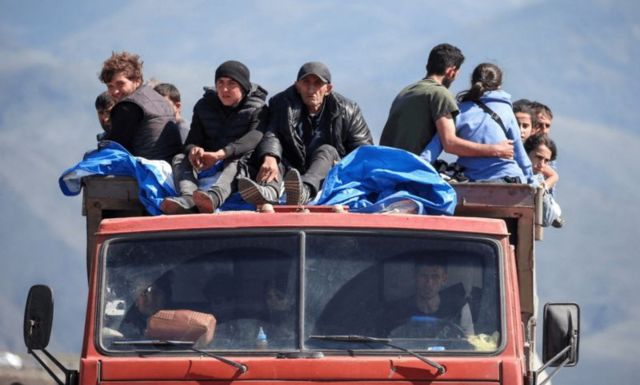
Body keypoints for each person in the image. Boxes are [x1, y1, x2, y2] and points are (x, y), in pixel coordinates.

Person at [237, 61, 373, 206]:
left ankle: (304, 192)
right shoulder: (282, 103)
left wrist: (342, 167)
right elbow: (272, 133)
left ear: (328, 89)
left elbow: (364, 151)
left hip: (330, 168)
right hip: (293, 171)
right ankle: (269, 192)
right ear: (297, 86)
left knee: (327, 150)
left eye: (317, 84)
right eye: (306, 82)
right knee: (277, 157)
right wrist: (269, 156)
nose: (311, 89)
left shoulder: (348, 110)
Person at [160, 60, 269, 214]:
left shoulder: (258, 108)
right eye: (220, 83)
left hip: (242, 162)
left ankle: (213, 198)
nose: (224, 89)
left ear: (243, 87)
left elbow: (254, 137)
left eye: (231, 84)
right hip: (209, 163)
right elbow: (192, 141)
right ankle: (188, 198)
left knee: (235, 163)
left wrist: (221, 154)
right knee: (180, 158)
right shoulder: (204, 106)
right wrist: (194, 150)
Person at [380, 43, 513, 160]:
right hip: (409, 167)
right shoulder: (440, 94)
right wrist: (495, 149)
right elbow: (450, 144)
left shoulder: (406, 91)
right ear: (451, 72)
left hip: (386, 162)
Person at [421, 63, 532, 183]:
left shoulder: (458, 111)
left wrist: (414, 170)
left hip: (471, 181)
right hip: (508, 178)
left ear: (472, 83)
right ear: (499, 86)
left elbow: (432, 149)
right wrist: (532, 181)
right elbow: (519, 153)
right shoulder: (506, 110)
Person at [99, 51, 182, 163]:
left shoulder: (128, 106)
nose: (115, 91)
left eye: (120, 84)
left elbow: (113, 146)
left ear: (137, 81)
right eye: (110, 86)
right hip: (170, 168)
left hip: (145, 170)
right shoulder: (162, 101)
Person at [383, 257, 474, 338]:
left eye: (435, 277)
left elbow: (471, 345)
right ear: (415, 277)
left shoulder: (459, 308)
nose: (428, 283)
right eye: (423, 276)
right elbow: (389, 345)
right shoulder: (398, 311)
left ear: (444, 279)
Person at [524, 134, 564, 228]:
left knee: (556, 210)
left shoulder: (538, 177)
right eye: (538, 157)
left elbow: (546, 219)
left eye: (546, 161)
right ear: (526, 153)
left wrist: (543, 189)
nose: (542, 164)